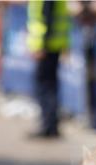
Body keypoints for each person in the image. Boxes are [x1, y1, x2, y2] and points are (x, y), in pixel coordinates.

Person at [26, 0, 71, 139]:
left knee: (45, 87)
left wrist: (42, 46)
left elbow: (47, 18)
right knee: (50, 86)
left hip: (47, 47)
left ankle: (48, 126)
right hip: (53, 45)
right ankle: (51, 125)